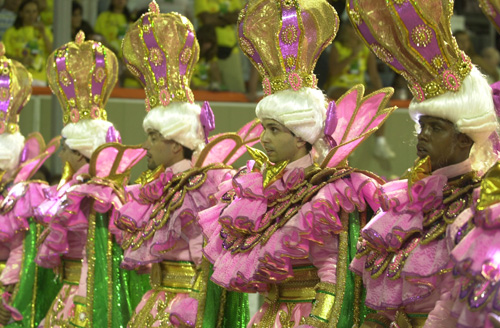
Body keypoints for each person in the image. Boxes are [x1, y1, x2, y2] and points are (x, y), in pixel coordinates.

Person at [199, 0, 396, 327]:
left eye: (274, 130)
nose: (263, 139)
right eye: (264, 128)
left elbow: (334, 274)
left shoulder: (325, 192)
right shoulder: (256, 190)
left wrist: (317, 321)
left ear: (302, 136)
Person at [346, 0, 499, 326]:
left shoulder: (482, 203)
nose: (423, 135)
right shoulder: (406, 200)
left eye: (436, 127)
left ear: (464, 137)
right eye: (422, 125)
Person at [118, 4, 253, 327]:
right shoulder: (152, 187)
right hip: (155, 299)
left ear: (176, 143)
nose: (146, 144)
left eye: (153, 137)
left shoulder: (204, 184)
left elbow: (204, 260)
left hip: (187, 306)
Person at [35, 31, 146, 327]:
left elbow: (98, 257)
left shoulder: (95, 193)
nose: (60, 156)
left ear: (82, 153)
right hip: (70, 290)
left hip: (84, 293)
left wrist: (88, 301)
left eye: (66, 149)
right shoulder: (73, 188)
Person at [194, 0, 245, 93]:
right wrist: (227, 18)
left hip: (230, 51)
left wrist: (216, 17)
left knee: (236, 92)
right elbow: (206, 20)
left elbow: (239, 17)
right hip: (208, 51)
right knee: (206, 90)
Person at [2, 0, 52, 85]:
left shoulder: (45, 31)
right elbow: (4, 56)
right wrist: (21, 60)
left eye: (34, 12)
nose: (31, 15)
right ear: (21, 13)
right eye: (28, 12)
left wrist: (43, 33)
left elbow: (53, 52)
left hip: (41, 79)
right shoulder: (10, 32)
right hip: (17, 78)